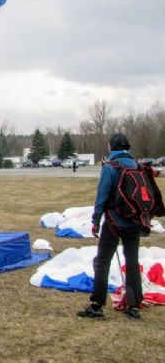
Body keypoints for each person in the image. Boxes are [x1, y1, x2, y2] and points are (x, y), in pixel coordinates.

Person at [77, 133, 159, 320]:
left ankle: (97, 306)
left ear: (111, 147)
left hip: (114, 221)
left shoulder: (110, 166)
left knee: (102, 262)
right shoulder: (137, 166)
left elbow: (102, 195)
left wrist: (96, 220)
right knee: (131, 262)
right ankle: (134, 305)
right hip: (135, 222)